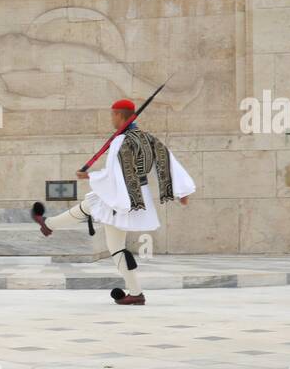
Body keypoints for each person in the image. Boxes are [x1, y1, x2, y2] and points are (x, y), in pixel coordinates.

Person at [34, 98, 195, 305]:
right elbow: (168, 161)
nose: (111, 118)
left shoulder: (120, 141)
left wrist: (89, 177)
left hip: (122, 196)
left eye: (112, 114)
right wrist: (182, 192)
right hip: (137, 196)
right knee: (89, 206)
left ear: (119, 115)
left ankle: (136, 293)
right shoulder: (147, 138)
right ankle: (48, 225)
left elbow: (114, 175)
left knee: (116, 246)